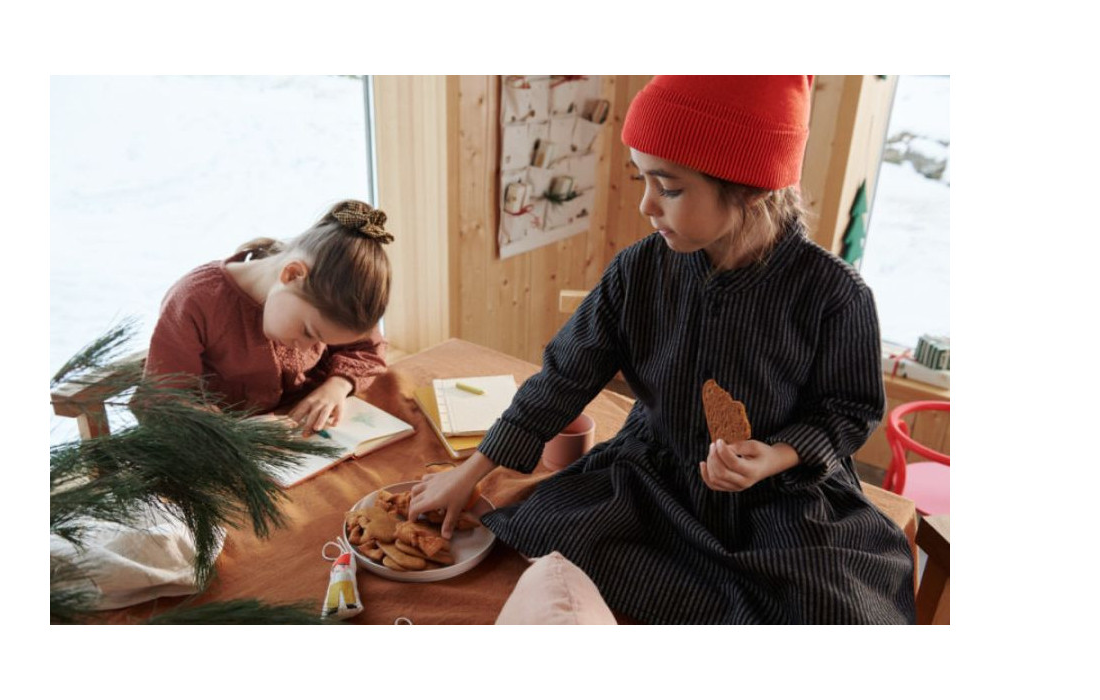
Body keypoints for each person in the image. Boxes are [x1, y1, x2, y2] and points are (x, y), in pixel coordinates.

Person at [408, 76, 915, 624]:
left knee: (837, 608)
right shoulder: (638, 270)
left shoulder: (834, 294)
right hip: (653, 480)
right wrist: (471, 471)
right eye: (642, 179)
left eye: (668, 188)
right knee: (540, 530)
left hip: (779, 496)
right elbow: (562, 379)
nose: (646, 205)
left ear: (752, 188)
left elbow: (848, 410)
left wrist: (777, 455)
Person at [142, 199, 393, 436]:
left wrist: (337, 386)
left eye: (322, 341)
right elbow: (163, 404)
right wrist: (237, 432)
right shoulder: (195, 302)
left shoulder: (333, 301)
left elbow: (368, 350)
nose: (307, 348)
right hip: (229, 445)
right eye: (308, 332)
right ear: (291, 275)